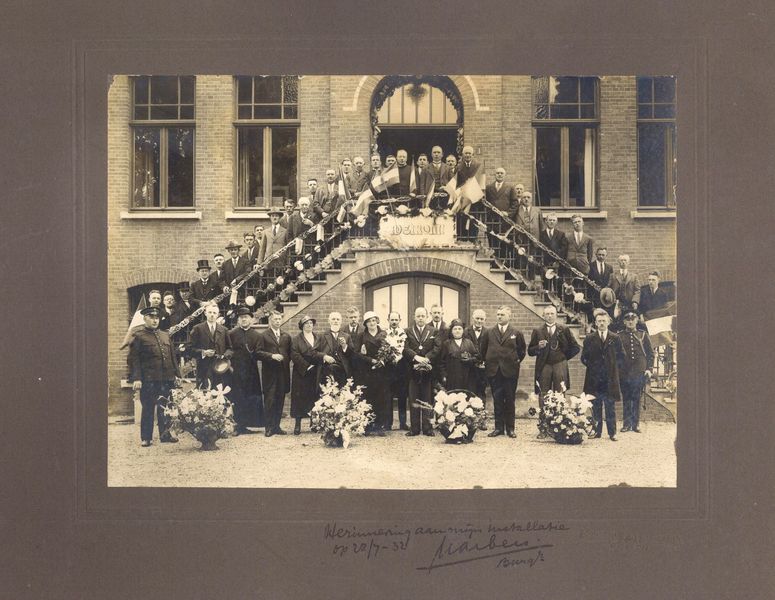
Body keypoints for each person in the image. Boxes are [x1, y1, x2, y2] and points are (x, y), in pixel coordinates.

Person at [128, 306, 181, 447]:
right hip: (149, 380)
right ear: (145, 319)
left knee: (165, 407)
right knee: (148, 408)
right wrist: (137, 378)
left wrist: (177, 375)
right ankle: (146, 437)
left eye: (157, 318)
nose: (155, 320)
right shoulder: (139, 336)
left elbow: (172, 356)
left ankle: (165, 435)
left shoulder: (165, 335)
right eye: (151, 318)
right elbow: (134, 360)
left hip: (166, 379)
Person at [528, 305, 581, 437]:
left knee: (560, 394)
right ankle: (543, 428)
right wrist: (538, 347)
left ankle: (560, 427)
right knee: (543, 395)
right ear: (543, 315)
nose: (550, 316)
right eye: (547, 314)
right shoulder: (538, 331)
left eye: (552, 313)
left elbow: (575, 347)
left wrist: (563, 357)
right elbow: (530, 351)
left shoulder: (564, 329)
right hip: (544, 365)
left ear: (556, 315)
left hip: (559, 365)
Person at [480, 305, 526, 439]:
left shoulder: (516, 333)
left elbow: (521, 351)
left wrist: (514, 362)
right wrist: (489, 363)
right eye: (498, 314)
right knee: (497, 399)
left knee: (510, 399)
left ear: (509, 316)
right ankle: (498, 428)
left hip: (510, 371)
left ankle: (510, 429)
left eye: (502, 315)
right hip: (494, 371)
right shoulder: (489, 332)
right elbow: (483, 350)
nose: (499, 317)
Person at [581, 309, 625, 441]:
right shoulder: (589, 338)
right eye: (599, 321)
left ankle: (612, 433)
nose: (601, 323)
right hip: (594, 379)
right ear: (595, 323)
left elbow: (622, 356)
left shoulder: (615, 338)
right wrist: (593, 368)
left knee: (610, 406)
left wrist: (613, 368)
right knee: (596, 405)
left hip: (610, 379)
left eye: (604, 321)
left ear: (608, 322)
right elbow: (584, 358)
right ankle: (597, 431)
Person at [403, 307, 440, 437]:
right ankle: (414, 429)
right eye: (418, 316)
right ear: (414, 317)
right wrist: (415, 357)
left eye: (422, 316)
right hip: (412, 370)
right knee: (413, 398)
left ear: (426, 317)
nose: (420, 318)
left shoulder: (433, 331)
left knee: (427, 399)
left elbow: (437, 347)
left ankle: (427, 428)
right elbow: (405, 348)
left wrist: (427, 358)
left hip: (428, 371)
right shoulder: (407, 331)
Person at [226, 306, 264, 434]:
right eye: (241, 318)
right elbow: (228, 350)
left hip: (251, 372)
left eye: (246, 317)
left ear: (251, 319)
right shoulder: (231, 334)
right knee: (237, 397)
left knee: (250, 397)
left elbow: (259, 352)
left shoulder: (257, 336)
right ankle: (238, 425)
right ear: (238, 320)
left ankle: (247, 424)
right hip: (235, 371)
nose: (244, 320)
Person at [256, 310, 292, 437]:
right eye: (275, 319)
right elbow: (258, 353)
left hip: (283, 373)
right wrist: (272, 356)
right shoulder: (263, 335)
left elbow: (290, 353)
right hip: (270, 373)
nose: (277, 321)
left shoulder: (286, 336)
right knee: (270, 400)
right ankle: (269, 428)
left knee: (280, 399)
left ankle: (277, 426)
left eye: (279, 319)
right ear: (270, 320)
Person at [290, 315, 327, 435]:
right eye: (306, 323)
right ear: (302, 326)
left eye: (311, 323)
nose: (309, 325)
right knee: (299, 398)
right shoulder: (296, 339)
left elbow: (321, 352)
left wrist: (317, 365)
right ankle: (297, 424)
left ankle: (314, 423)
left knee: (314, 396)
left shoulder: (318, 337)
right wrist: (306, 366)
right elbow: (294, 355)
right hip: (301, 372)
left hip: (316, 371)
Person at [618, 311, 654, 433]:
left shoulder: (643, 335)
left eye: (633, 319)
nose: (630, 321)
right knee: (626, 398)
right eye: (628, 320)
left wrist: (649, 369)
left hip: (639, 372)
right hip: (624, 372)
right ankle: (626, 424)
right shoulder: (619, 336)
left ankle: (635, 424)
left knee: (636, 398)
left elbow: (650, 354)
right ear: (624, 322)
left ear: (637, 320)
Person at [355, 311, 391, 435]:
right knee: (368, 397)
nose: (372, 323)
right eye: (369, 321)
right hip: (367, 371)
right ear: (365, 324)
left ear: (377, 321)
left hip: (382, 371)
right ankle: (368, 425)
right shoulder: (361, 336)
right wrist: (370, 360)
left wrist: (383, 360)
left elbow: (391, 350)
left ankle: (381, 425)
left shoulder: (385, 334)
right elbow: (356, 354)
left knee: (382, 398)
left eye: (374, 320)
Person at [189, 302, 232, 389]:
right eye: (210, 312)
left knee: (219, 392)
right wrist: (203, 352)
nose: (212, 315)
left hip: (220, 367)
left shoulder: (224, 330)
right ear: (205, 313)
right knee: (204, 393)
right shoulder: (197, 328)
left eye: (214, 313)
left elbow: (230, 349)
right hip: (203, 368)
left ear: (218, 315)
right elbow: (190, 349)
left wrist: (224, 355)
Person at [463, 309, 489, 428]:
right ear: (473, 318)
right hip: (469, 368)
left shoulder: (488, 332)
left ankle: (481, 420)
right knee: (469, 393)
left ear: (485, 320)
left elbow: (489, 349)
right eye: (477, 318)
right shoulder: (465, 332)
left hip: (482, 369)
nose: (479, 321)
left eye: (481, 319)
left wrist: (485, 361)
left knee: (481, 394)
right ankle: (470, 421)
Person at [438, 319, 480, 392]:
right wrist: (444, 375)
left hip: (467, 377)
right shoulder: (446, 344)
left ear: (463, 330)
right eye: (455, 329)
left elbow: (477, 358)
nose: (457, 331)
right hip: (452, 378)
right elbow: (441, 362)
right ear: (451, 331)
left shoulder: (469, 343)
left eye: (459, 329)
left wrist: (470, 360)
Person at [385, 311, 409, 430]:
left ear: (400, 320)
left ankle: (403, 423)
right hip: (389, 368)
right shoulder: (385, 334)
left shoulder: (404, 334)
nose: (394, 322)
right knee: (388, 395)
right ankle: (388, 423)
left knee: (402, 395)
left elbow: (406, 349)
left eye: (396, 320)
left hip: (401, 368)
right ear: (388, 320)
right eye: (392, 320)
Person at [316, 311, 352, 387]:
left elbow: (352, 354)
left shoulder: (347, 336)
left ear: (341, 321)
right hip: (326, 369)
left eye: (338, 319)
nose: (336, 321)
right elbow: (314, 352)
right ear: (329, 321)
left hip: (343, 370)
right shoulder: (322, 336)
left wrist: (344, 346)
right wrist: (324, 356)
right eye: (333, 319)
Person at [539, 213, 568, 294]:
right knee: (546, 287)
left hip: (557, 265)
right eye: (550, 220)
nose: (552, 222)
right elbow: (539, 249)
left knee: (558, 286)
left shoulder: (561, 234)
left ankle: (557, 301)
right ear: (546, 221)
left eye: (553, 220)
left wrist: (557, 261)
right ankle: (547, 301)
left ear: (556, 222)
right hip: (545, 264)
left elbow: (564, 249)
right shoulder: (541, 234)